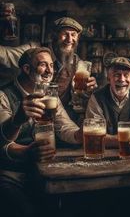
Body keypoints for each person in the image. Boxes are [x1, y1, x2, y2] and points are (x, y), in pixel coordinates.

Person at [0, 47, 82, 217]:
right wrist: (18, 123)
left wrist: (81, 134)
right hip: (12, 174)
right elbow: (2, 141)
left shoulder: (49, 94)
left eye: (52, 65)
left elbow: (64, 126)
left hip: (42, 172)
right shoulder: (3, 95)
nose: (50, 70)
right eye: (43, 65)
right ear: (27, 69)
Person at [0, 17, 97, 124]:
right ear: (53, 36)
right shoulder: (34, 51)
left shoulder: (79, 63)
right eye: (65, 34)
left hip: (60, 119)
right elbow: (5, 54)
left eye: (73, 35)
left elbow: (78, 96)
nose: (69, 39)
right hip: (30, 114)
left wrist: (87, 93)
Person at [86, 56, 130, 147]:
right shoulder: (97, 98)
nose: (122, 79)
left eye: (126, 75)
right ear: (108, 78)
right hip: (103, 154)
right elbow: (93, 135)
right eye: (116, 75)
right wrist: (127, 138)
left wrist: (112, 139)